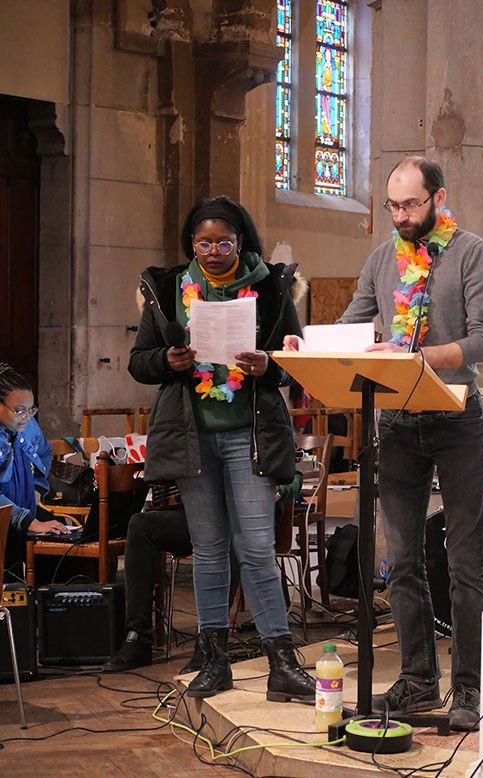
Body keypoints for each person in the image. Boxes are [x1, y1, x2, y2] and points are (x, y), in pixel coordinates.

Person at [285, 156, 483, 730]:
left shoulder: (471, 252)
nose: (401, 216)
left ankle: (470, 688)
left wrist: (417, 356)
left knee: (465, 564)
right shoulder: (382, 260)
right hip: (398, 423)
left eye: (411, 204)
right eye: (393, 206)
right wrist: (306, 344)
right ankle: (417, 683)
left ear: (438, 198)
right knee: (402, 561)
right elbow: (352, 326)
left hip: (456, 417)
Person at [127, 196, 315, 703]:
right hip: (193, 439)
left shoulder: (271, 287)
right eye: (203, 243)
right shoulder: (168, 290)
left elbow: (298, 360)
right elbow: (139, 362)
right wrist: (168, 361)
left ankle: (281, 663)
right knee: (209, 551)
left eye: (223, 243)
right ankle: (214, 661)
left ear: (240, 242)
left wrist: (269, 367)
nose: (213, 252)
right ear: (192, 244)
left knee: (255, 548)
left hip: (249, 437)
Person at [101, 471, 303, 675]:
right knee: (141, 525)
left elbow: (295, 477)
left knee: (229, 529)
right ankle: (138, 637)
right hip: (202, 514)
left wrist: (278, 488)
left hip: (244, 520)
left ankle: (210, 642)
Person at [0, 363, 71, 574]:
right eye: (20, 410)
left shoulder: (26, 424)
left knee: (64, 544)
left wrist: (37, 490)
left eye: (31, 409)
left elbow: (45, 451)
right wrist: (28, 521)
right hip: (5, 520)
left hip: (23, 512)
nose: (27, 417)